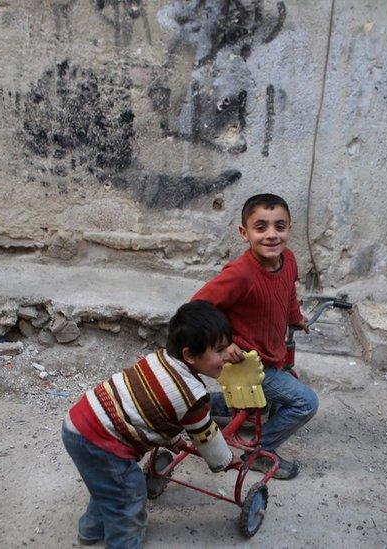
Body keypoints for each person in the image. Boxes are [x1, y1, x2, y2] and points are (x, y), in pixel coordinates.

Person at [61, 300, 237, 548]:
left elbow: (155, 411)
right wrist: (226, 460)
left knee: (107, 488)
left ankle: (91, 531)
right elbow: (209, 440)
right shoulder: (192, 398)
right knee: (127, 496)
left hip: (79, 422)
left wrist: (174, 439)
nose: (226, 356)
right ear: (189, 355)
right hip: (102, 442)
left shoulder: (161, 359)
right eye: (219, 351)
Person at [192, 193, 314, 480]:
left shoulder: (289, 260)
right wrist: (224, 344)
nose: (271, 235)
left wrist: (295, 318)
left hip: (271, 354)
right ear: (244, 233)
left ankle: (198, 407)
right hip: (246, 361)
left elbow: (288, 294)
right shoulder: (240, 274)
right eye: (261, 228)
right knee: (305, 402)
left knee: (258, 400)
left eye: (279, 226)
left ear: (289, 229)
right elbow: (197, 308)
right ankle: (260, 451)